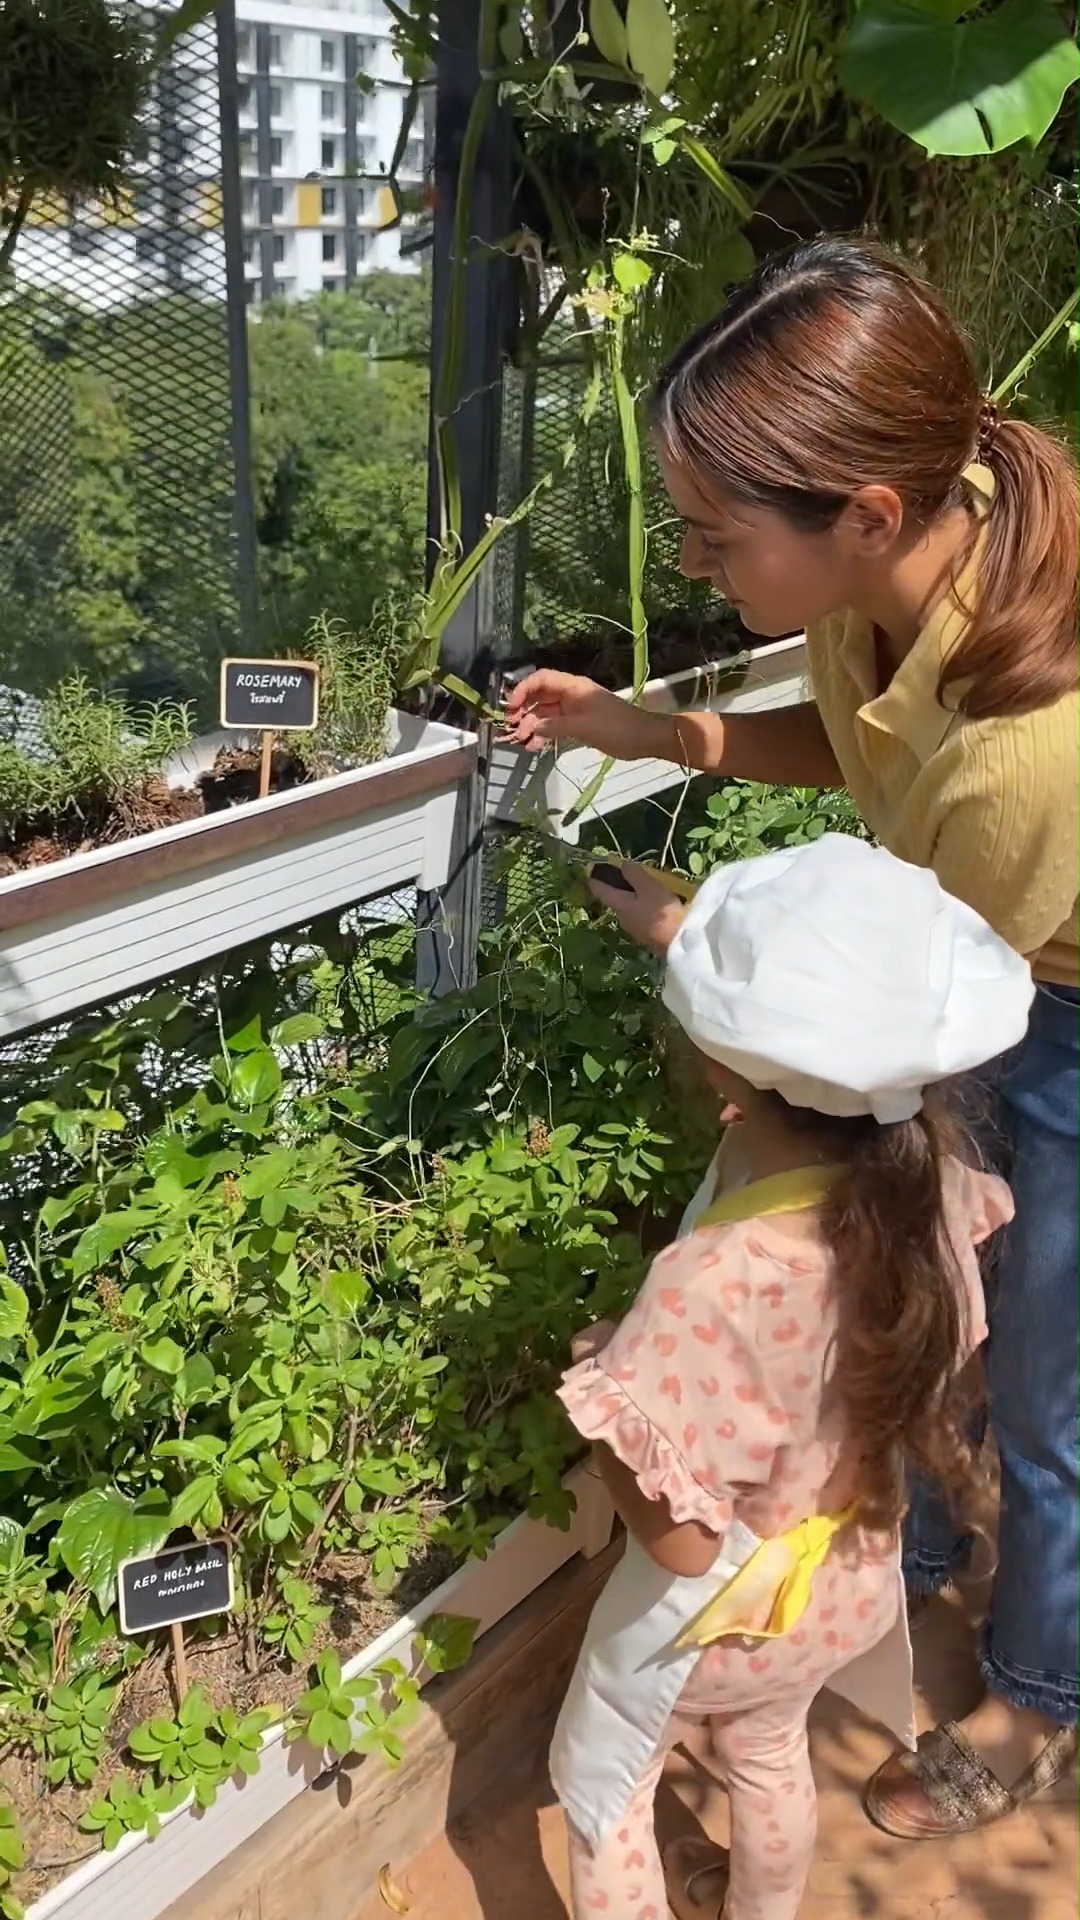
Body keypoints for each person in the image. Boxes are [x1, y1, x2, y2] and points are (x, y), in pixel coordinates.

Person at [505, 237, 1079, 1837]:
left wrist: (705, 944)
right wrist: (647, 727)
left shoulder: (1037, 748)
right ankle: (894, 1568)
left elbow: (908, 1008)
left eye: (712, 534)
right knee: (933, 1311)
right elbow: (854, 753)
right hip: (966, 962)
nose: (693, 561)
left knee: (1045, 1388)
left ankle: (1033, 1692)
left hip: (1051, 1002)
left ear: (867, 515)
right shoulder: (878, 592)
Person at [551, 833, 1034, 1920]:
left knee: (601, 1781)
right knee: (768, 1752)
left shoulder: (715, 1277)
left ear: (717, 1066)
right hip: (850, 1578)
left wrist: (603, 1394)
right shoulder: (940, 1191)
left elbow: (677, 1540)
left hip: (723, 1607)